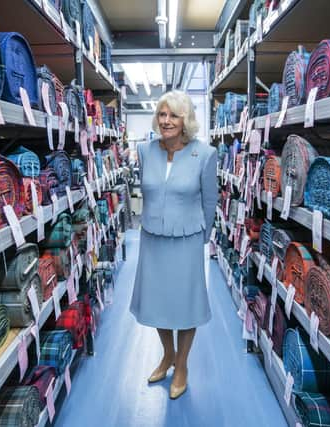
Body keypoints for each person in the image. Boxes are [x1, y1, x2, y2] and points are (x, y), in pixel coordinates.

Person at [130, 90, 218, 400]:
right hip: (153, 238)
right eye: (162, 114)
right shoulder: (144, 151)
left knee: (185, 305)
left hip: (187, 240)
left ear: (186, 120)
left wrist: (202, 239)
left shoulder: (205, 155)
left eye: (173, 115)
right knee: (158, 302)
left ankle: (182, 365)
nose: (166, 121)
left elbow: (210, 201)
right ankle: (167, 354)